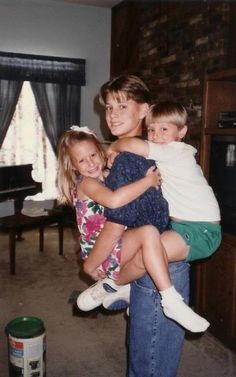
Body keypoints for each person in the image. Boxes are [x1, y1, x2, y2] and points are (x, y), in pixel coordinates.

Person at [80, 75, 191, 377]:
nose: (112, 115)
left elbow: (117, 223)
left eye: (121, 106)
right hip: (156, 258)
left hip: (156, 267)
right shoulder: (135, 151)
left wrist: (91, 265)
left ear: (145, 110)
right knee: (149, 360)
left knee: (148, 366)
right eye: (108, 107)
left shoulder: (130, 157)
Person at [107, 101, 222, 314]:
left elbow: (133, 145)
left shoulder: (176, 151)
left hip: (201, 231)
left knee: (146, 255)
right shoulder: (167, 153)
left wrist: (113, 147)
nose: (156, 135)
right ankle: (126, 287)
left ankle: (112, 285)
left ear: (182, 132)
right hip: (182, 227)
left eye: (164, 129)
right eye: (151, 129)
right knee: (145, 247)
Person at [56, 125, 170, 310]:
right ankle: (168, 296)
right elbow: (114, 201)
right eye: (82, 160)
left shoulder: (106, 176)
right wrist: (148, 181)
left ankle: (116, 286)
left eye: (93, 155)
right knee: (149, 233)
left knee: (146, 257)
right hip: (102, 251)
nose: (91, 164)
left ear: (100, 152)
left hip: (116, 243)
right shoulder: (87, 184)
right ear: (73, 165)